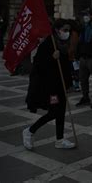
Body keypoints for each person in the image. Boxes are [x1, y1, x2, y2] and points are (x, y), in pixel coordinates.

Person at [23, 19, 75, 150]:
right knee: (54, 112)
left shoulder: (63, 43)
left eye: (68, 30)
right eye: (64, 30)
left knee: (61, 112)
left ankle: (60, 139)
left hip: (61, 85)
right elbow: (38, 65)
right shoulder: (48, 43)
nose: (67, 32)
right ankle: (29, 131)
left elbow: (65, 65)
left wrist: (69, 83)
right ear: (57, 30)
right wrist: (52, 58)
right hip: (51, 87)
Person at [76, 9, 92, 107]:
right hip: (83, 57)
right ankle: (85, 97)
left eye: (87, 15)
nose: (85, 17)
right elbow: (80, 41)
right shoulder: (85, 27)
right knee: (83, 79)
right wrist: (78, 55)